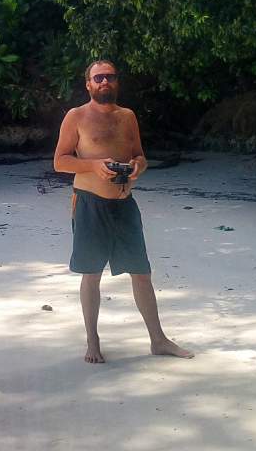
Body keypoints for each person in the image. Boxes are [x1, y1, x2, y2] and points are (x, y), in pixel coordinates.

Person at [54, 59, 189, 363]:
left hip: (124, 205)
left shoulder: (128, 116)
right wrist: (93, 166)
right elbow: (60, 161)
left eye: (110, 77)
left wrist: (137, 167)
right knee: (91, 275)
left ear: (117, 82)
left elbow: (140, 155)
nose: (105, 82)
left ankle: (158, 340)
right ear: (88, 84)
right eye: (98, 77)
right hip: (89, 204)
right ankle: (93, 341)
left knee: (142, 273)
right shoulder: (76, 117)